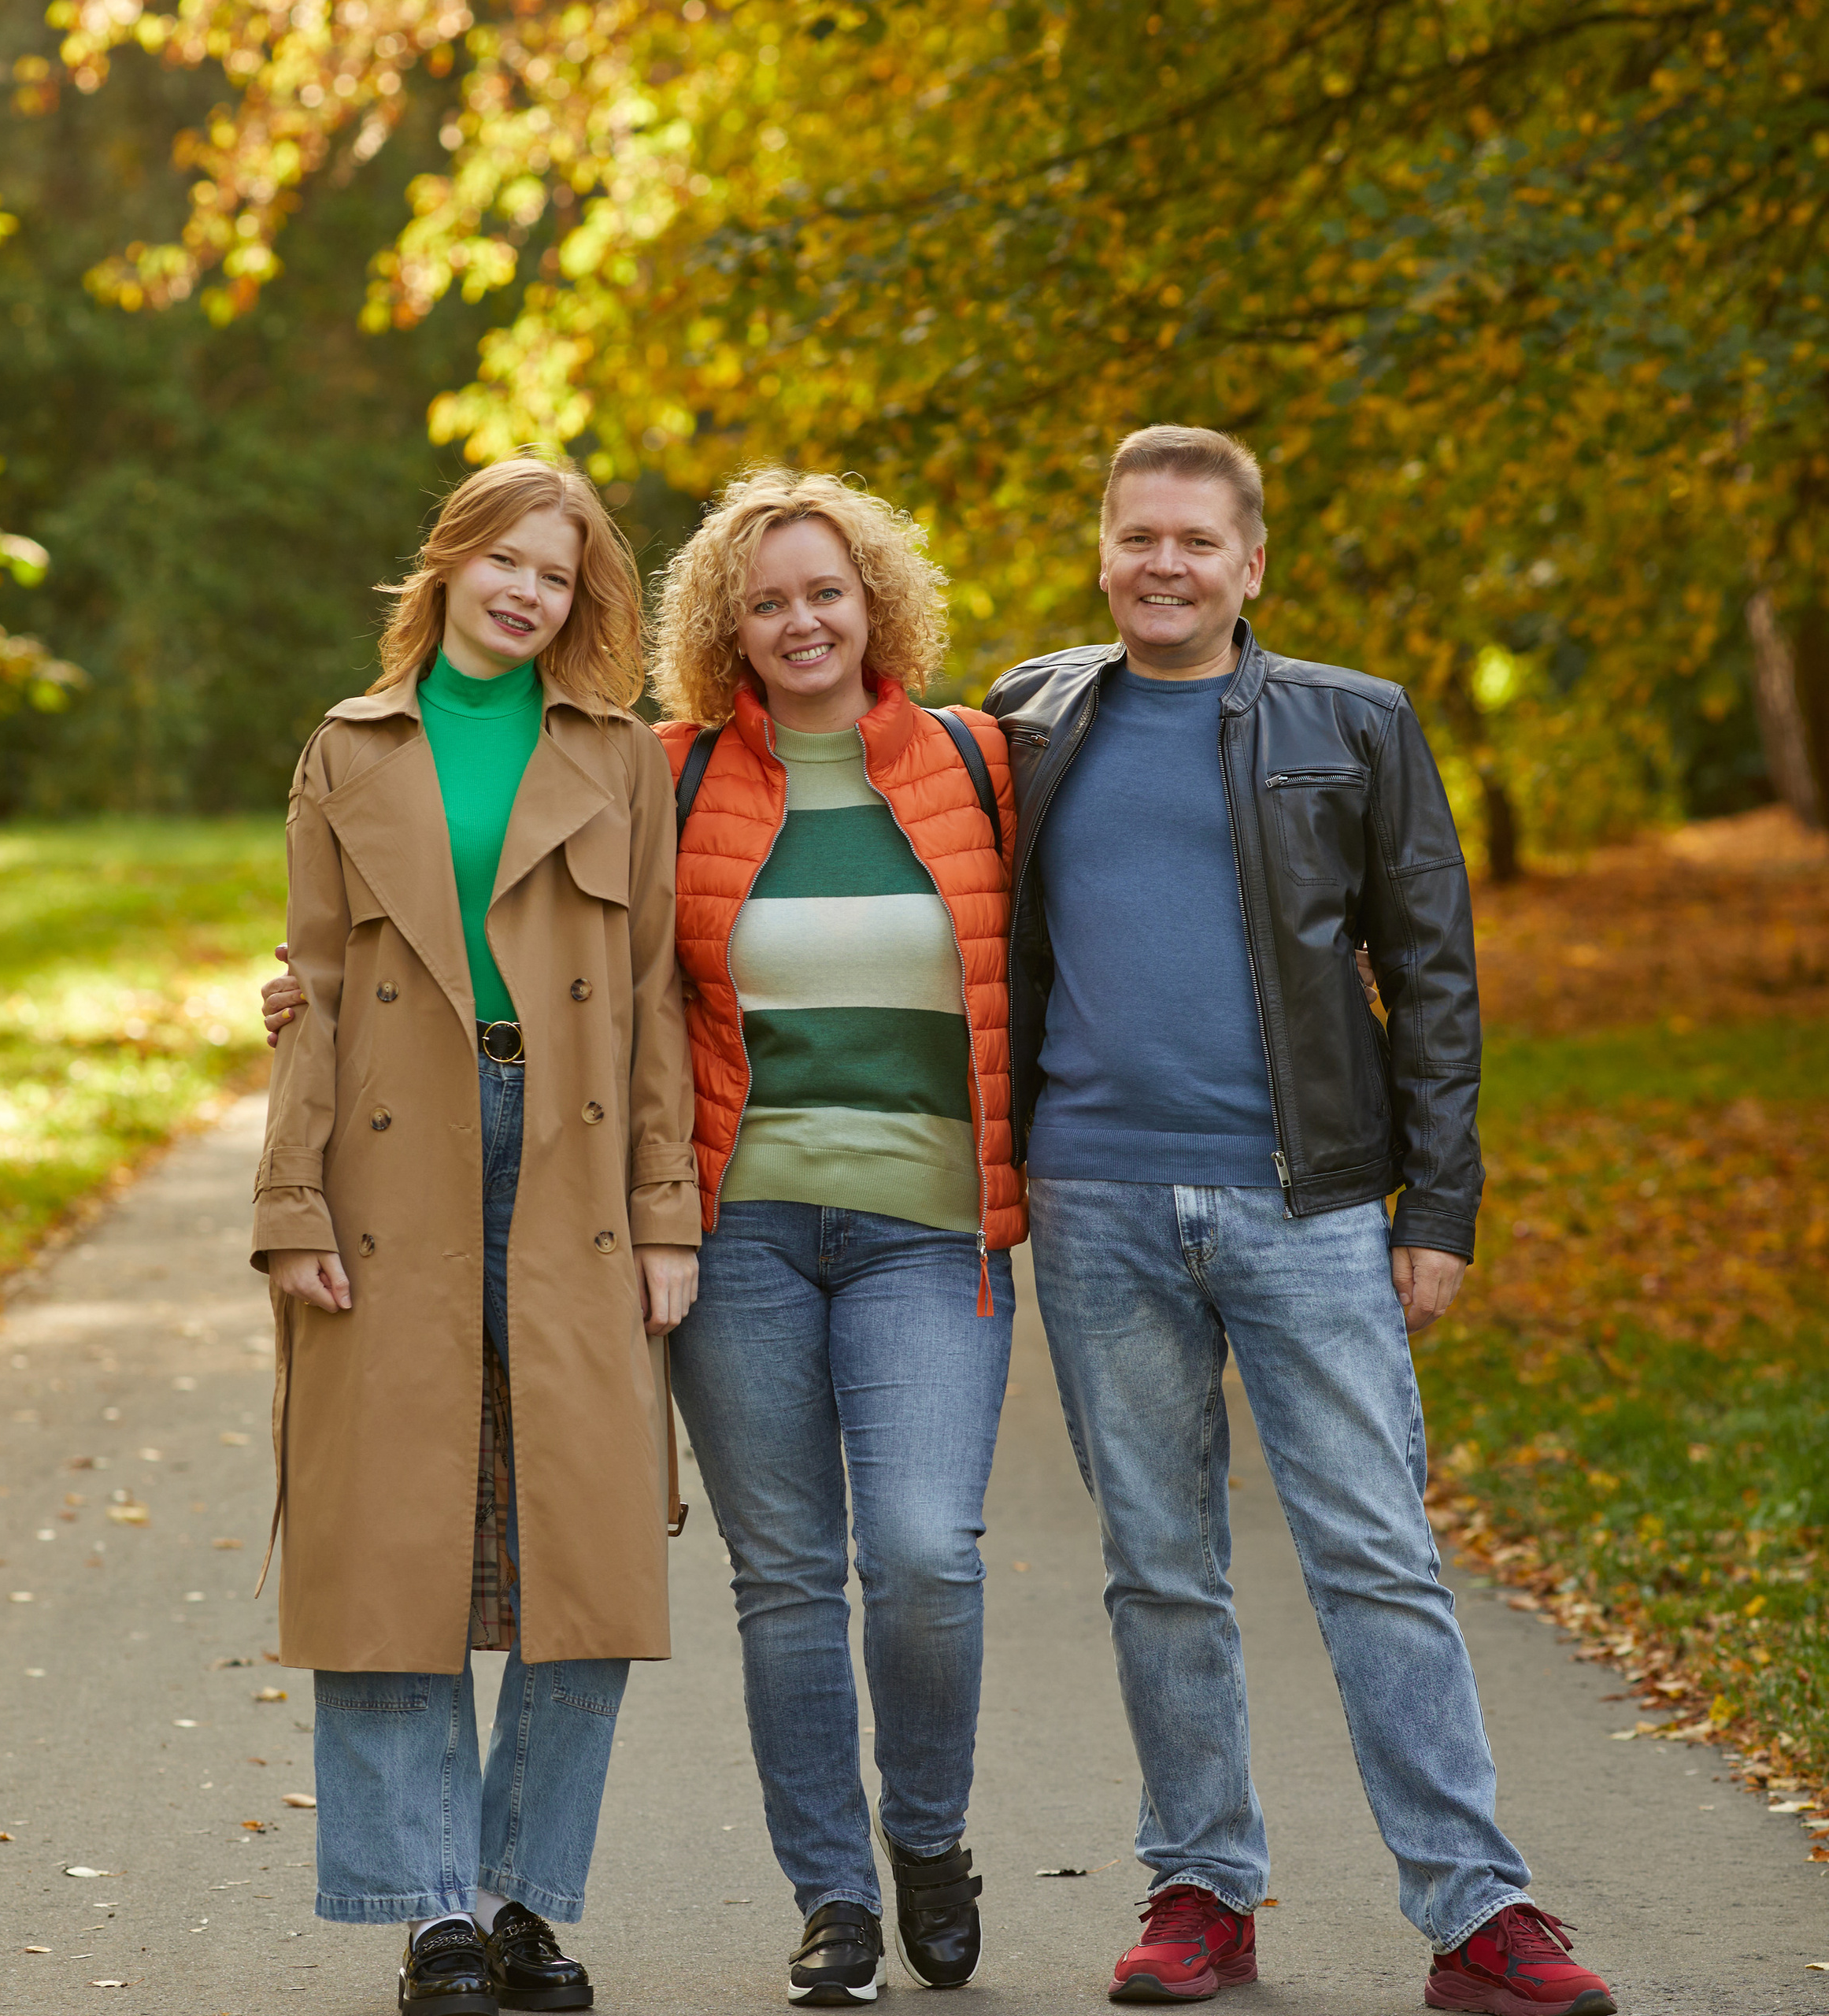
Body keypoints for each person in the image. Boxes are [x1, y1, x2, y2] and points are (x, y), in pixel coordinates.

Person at [981, 424, 1616, 2015]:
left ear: (1250, 560)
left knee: (1374, 1549)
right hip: (1094, 1198)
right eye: (1137, 536)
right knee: (1158, 1562)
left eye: (1195, 540)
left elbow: (1434, 972)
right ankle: (1200, 1885)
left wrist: (1439, 1203)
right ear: (1102, 547)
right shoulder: (1023, 720)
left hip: (1310, 1199)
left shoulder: (1354, 723)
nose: (1162, 564)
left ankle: (1474, 1910)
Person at [251, 454, 700, 2016]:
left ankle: (523, 1898)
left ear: (583, 601)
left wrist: (666, 1214)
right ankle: (430, 1905)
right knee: (393, 1542)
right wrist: (289, 1198)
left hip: (573, 1169)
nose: (526, 589)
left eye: (556, 573)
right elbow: (305, 986)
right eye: (502, 558)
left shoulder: (620, 756)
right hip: (396, 1166)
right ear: (445, 564)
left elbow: (650, 999)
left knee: (581, 1552)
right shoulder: (348, 746)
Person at [650, 470, 1023, 2007]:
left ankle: (925, 1838)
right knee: (786, 1572)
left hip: (928, 1227)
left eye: (823, 591)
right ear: (721, 629)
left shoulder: (976, 760)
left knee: (925, 1552)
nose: (799, 621)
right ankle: (832, 1899)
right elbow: (520, 923)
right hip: (736, 1229)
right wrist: (314, 988)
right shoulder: (664, 774)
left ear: (873, 601)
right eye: (765, 600)